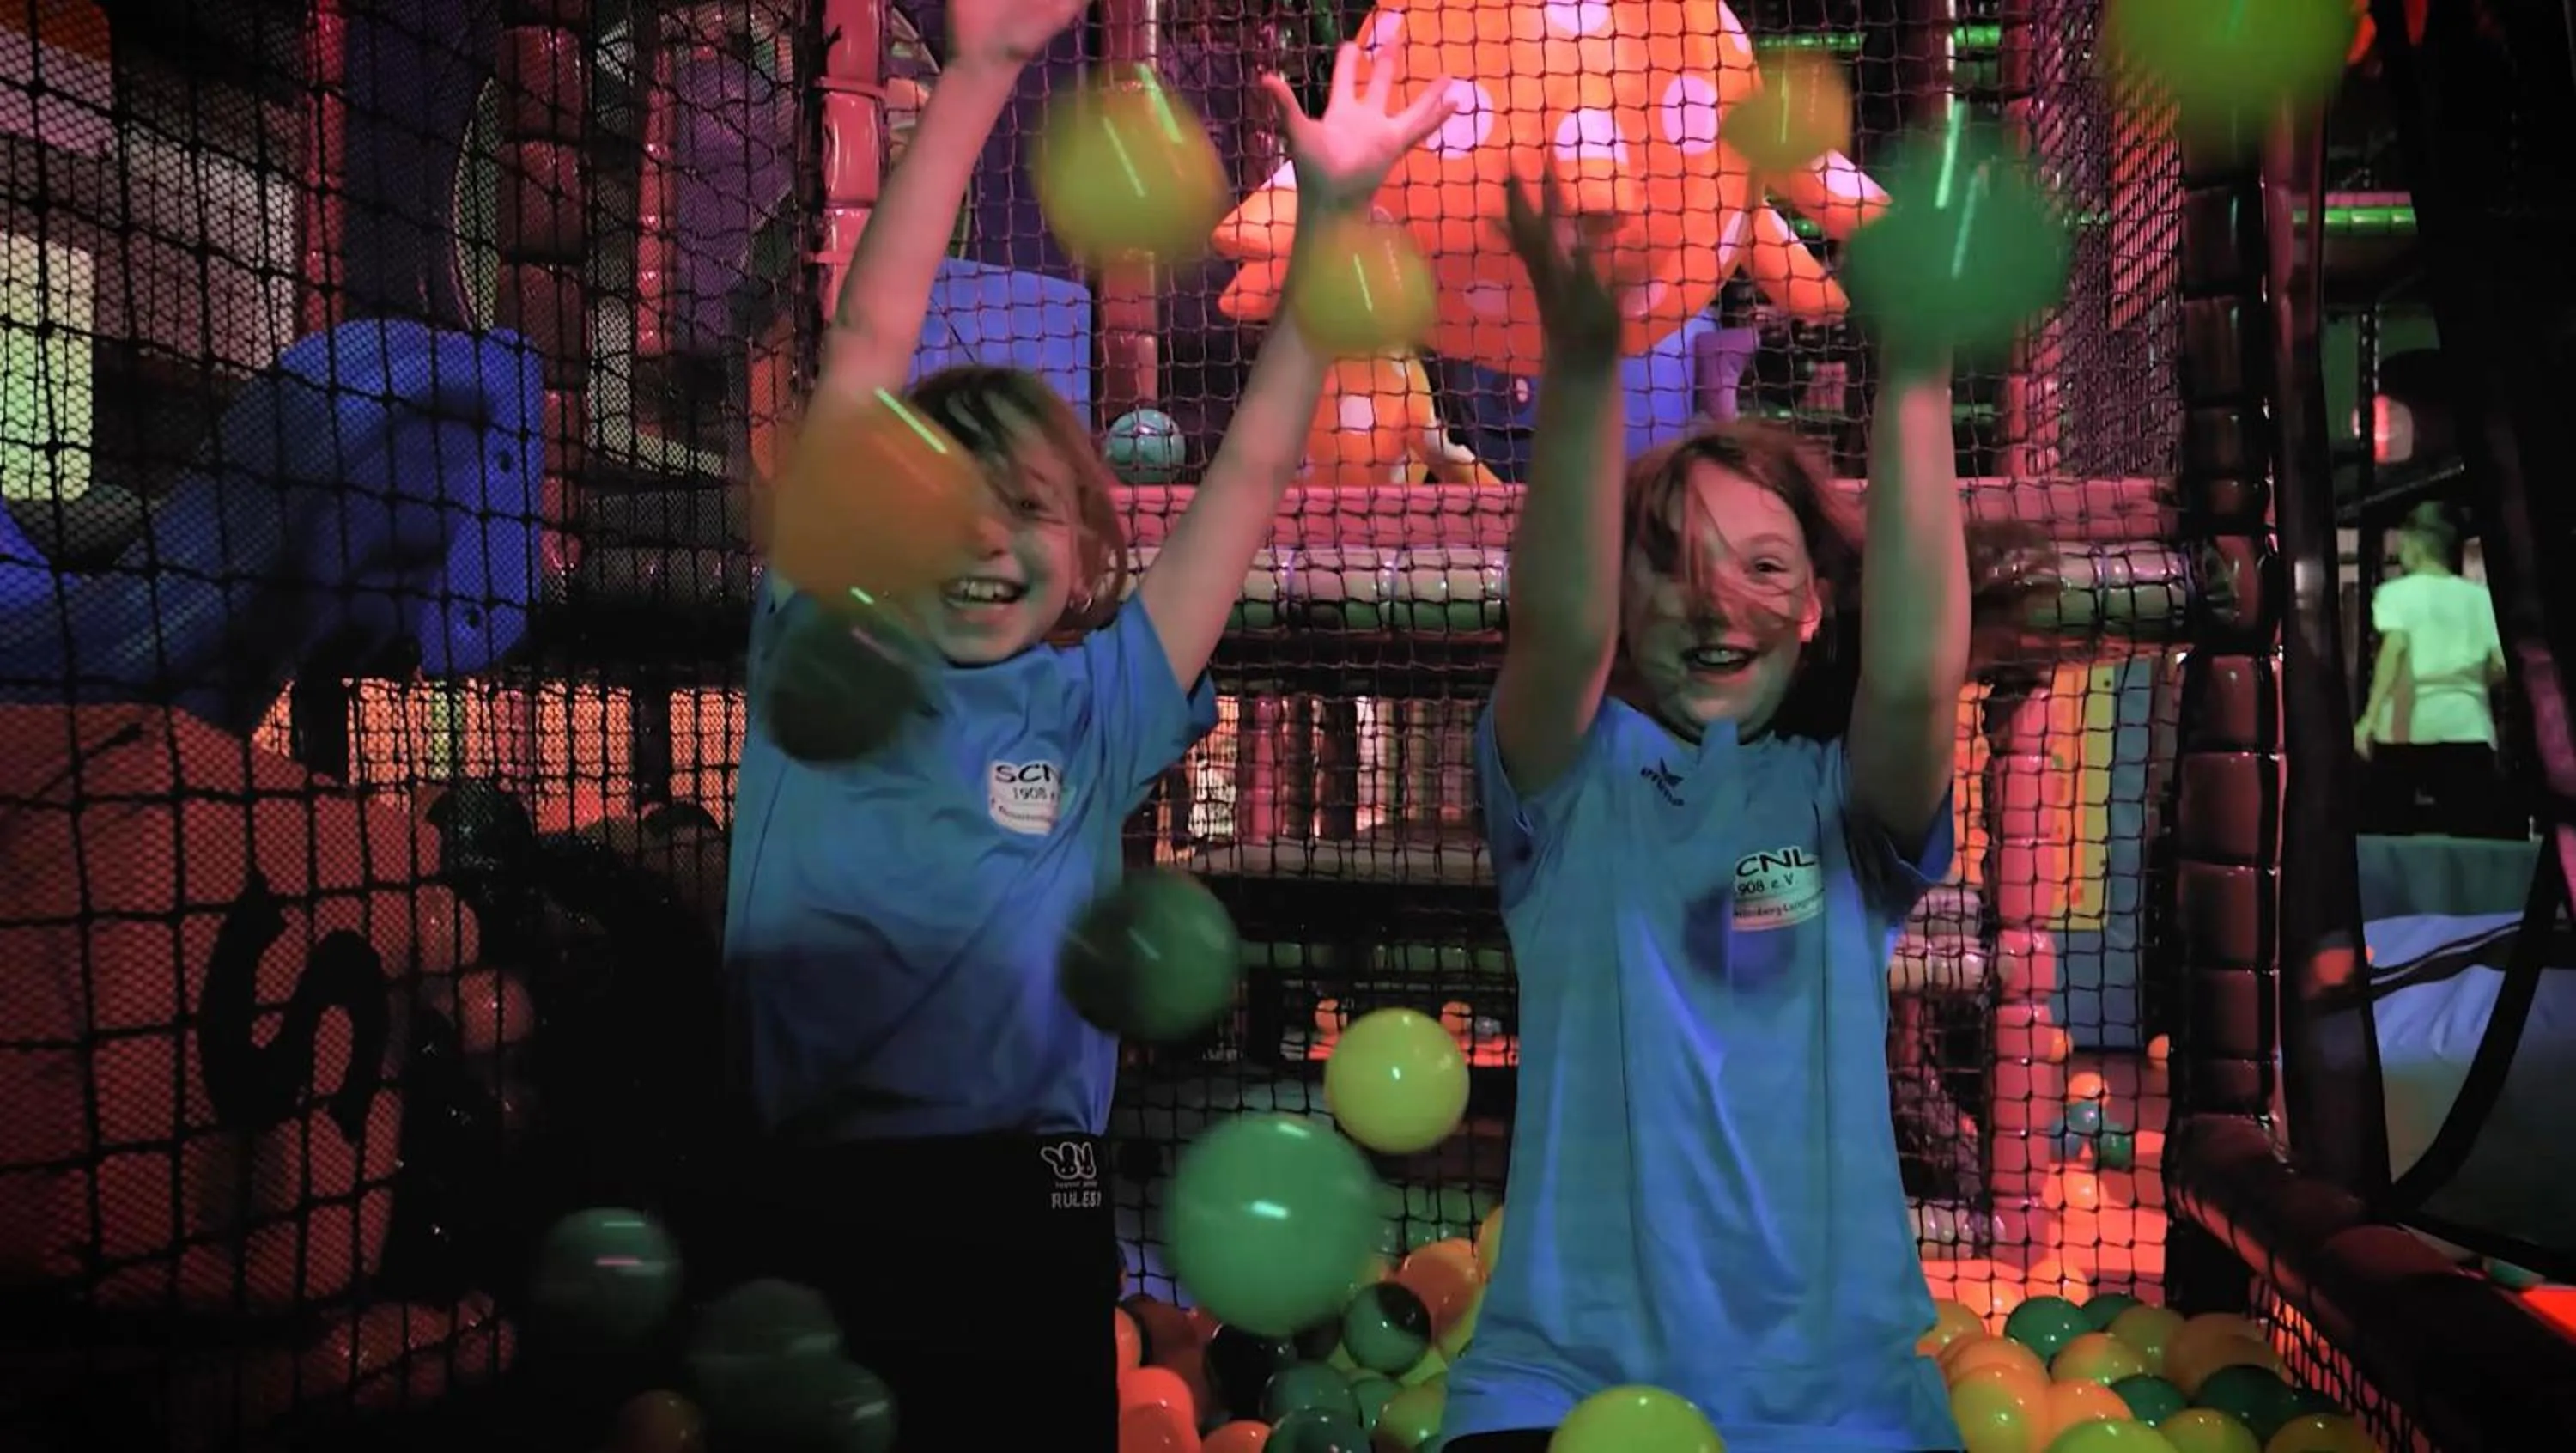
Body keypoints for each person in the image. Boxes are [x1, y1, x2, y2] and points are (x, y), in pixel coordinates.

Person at [716, 4, 1458, 1444]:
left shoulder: (1092, 706)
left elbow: (1246, 479)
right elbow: (869, 332)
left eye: (1032, 511)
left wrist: (1334, 228)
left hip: (1038, 1181)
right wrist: (986, 68)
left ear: (1084, 555)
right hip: (822, 1175)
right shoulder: (827, 638)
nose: (988, 537)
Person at [1439, 175, 2052, 1453]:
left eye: (1764, 570)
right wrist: (1587, 363)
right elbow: (1554, 623)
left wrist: (1920, 362)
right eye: (1670, 566)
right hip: (1567, 1388)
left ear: (1816, 606)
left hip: (1833, 1404)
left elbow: (1915, 668)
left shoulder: (1837, 803)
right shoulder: (1573, 787)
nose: (1716, 605)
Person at [2354, 507, 2509, 836]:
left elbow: (2394, 651)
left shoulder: (2395, 594)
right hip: (2468, 726)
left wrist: (2369, 716)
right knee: (2471, 833)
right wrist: (2468, 686)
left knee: (2389, 830)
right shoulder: (2479, 598)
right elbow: (2500, 664)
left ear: (2417, 544)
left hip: (2405, 729)